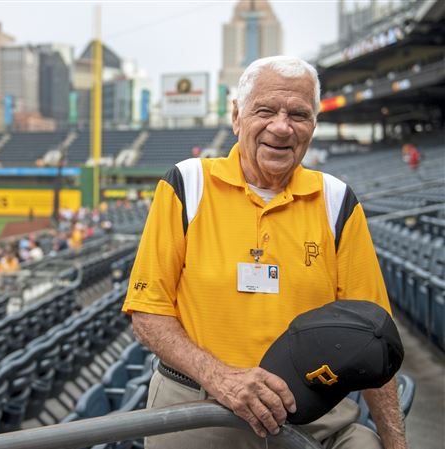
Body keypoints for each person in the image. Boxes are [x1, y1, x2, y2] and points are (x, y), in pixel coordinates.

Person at [122, 56, 406, 449]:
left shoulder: (336, 200)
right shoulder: (187, 184)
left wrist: (397, 443)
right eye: (265, 110)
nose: (281, 126)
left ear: (313, 126)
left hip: (313, 413)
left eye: (299, 114)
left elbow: (373, 330)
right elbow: (147, 312)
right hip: (201, 406)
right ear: (237, 116)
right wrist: (222, 378)